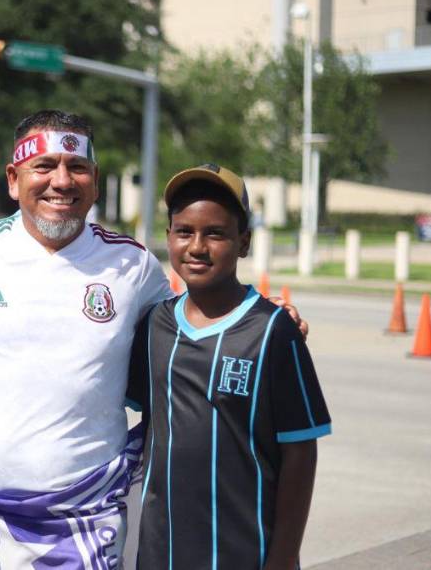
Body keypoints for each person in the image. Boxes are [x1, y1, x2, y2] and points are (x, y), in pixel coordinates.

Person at [0, 110, 308, 567]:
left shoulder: (132, 266)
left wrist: (257, 314)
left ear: (95, 182)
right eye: (44, 166)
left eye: (77, 167)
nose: (62, 181)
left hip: (85, 518)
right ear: (13, 179)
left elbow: (193, 324)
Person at [128, 164, 331, 569]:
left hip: (243, 553)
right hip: (160, 550)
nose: (197, 246)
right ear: (168, 237)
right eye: (184, 231)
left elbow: (300, 452)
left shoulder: (273, 331)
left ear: (244, 242)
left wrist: (284, 555)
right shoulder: (154, 326)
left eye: (215, 233)